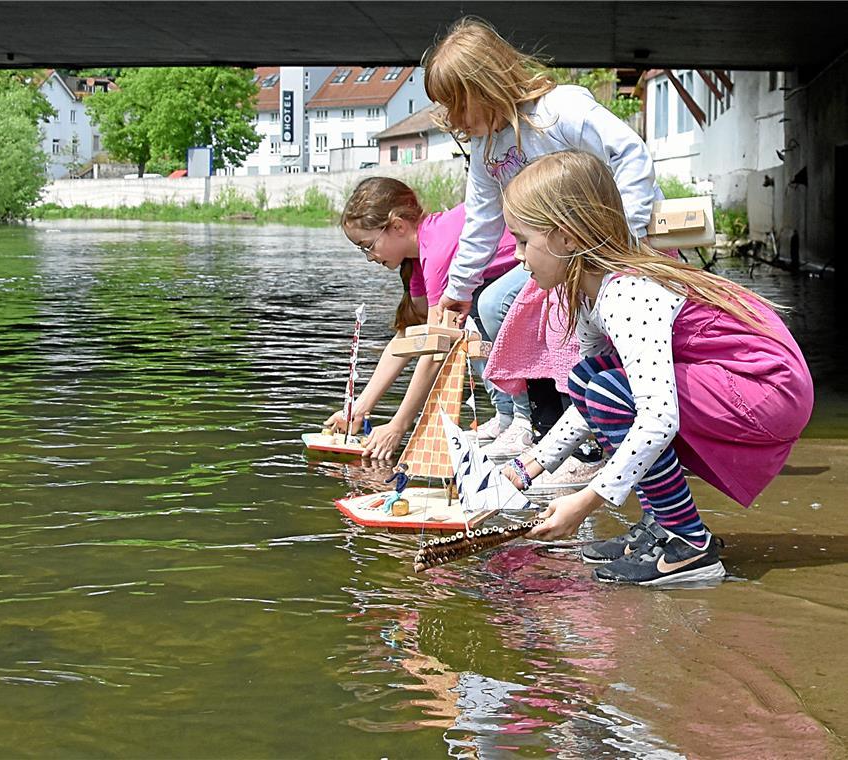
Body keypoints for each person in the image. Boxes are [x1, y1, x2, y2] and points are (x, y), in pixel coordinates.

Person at [498, 150, 813, 586]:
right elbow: (590, 401)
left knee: (613, 391)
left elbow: (657, 417)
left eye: (521, 239)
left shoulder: (626, 293)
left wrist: (586, 500)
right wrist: (528, 466)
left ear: (565, 238)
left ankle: (688, 543)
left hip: (766, 388)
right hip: (740, 379)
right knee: (589, 380)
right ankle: (662, 525)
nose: (515, 255)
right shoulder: (588, 293)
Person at [421, 17, 663, 461]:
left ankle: (588, 442)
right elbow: (481, 221)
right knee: (491, 304)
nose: (452, 118)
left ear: (486, 84)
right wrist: (457, 290)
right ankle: (543, 428)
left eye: (456, 104)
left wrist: (627, 239)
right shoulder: (485, 148)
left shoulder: (559, 112)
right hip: (559, 254)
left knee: (570, 321)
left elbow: (630, 152)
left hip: (609, 249)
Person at [323, 177, 519, 459]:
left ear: (398, 226)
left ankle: (515, 418)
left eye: (368, 245)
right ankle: (506, 416)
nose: (369, 257)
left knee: (466, 324)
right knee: (464, 320)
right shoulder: (418, 260)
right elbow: (408, 338)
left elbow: (436, 349)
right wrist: (358, 409)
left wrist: (399, 425)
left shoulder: (437, 253)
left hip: (540, 262)